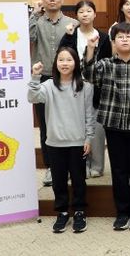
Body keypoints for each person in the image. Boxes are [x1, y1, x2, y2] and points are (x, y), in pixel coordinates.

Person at [83, 23, 130, 231]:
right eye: (120, 36)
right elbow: (89, 74)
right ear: (113, 42)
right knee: (119, 171)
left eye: (129, 36)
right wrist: (91, 49)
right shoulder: (105, 64)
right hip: (114, 126)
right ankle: (122, 212)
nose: (124, 39)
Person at [28, 47, 94, 234]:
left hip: (78, 142)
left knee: (79, 180)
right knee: (58, 181)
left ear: (76, 63)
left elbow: (90, 115)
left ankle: (79, 212)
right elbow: (32, 97)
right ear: (55, 63)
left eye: (69, 60)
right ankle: (63, 212)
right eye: (61, 60)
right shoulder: (48, 85)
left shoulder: (85, 86)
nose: (65, 63)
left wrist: (89, 138)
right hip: (55, 143)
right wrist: (35, 76)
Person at [29, 0, 78, 187]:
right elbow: (28, 37)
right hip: (43, 78)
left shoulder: (73, 23)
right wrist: (34, 13)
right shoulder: (37, 21)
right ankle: (51, 167)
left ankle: (74, 165)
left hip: (67, 78)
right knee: (45, 125)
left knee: (70, 122)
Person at [59, 0, 112, 178]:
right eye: (81, 12)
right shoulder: (71, 34)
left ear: (95, 14)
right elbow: (62, 55)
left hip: (97, 86)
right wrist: (67, 36)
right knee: (78, 126)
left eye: (89, 11)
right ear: (76, 15)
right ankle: (82, 164)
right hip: (75, 84)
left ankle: (97, 165)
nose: (85, 14)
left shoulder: (103, 37)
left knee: (96, 127)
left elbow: (107, 61)